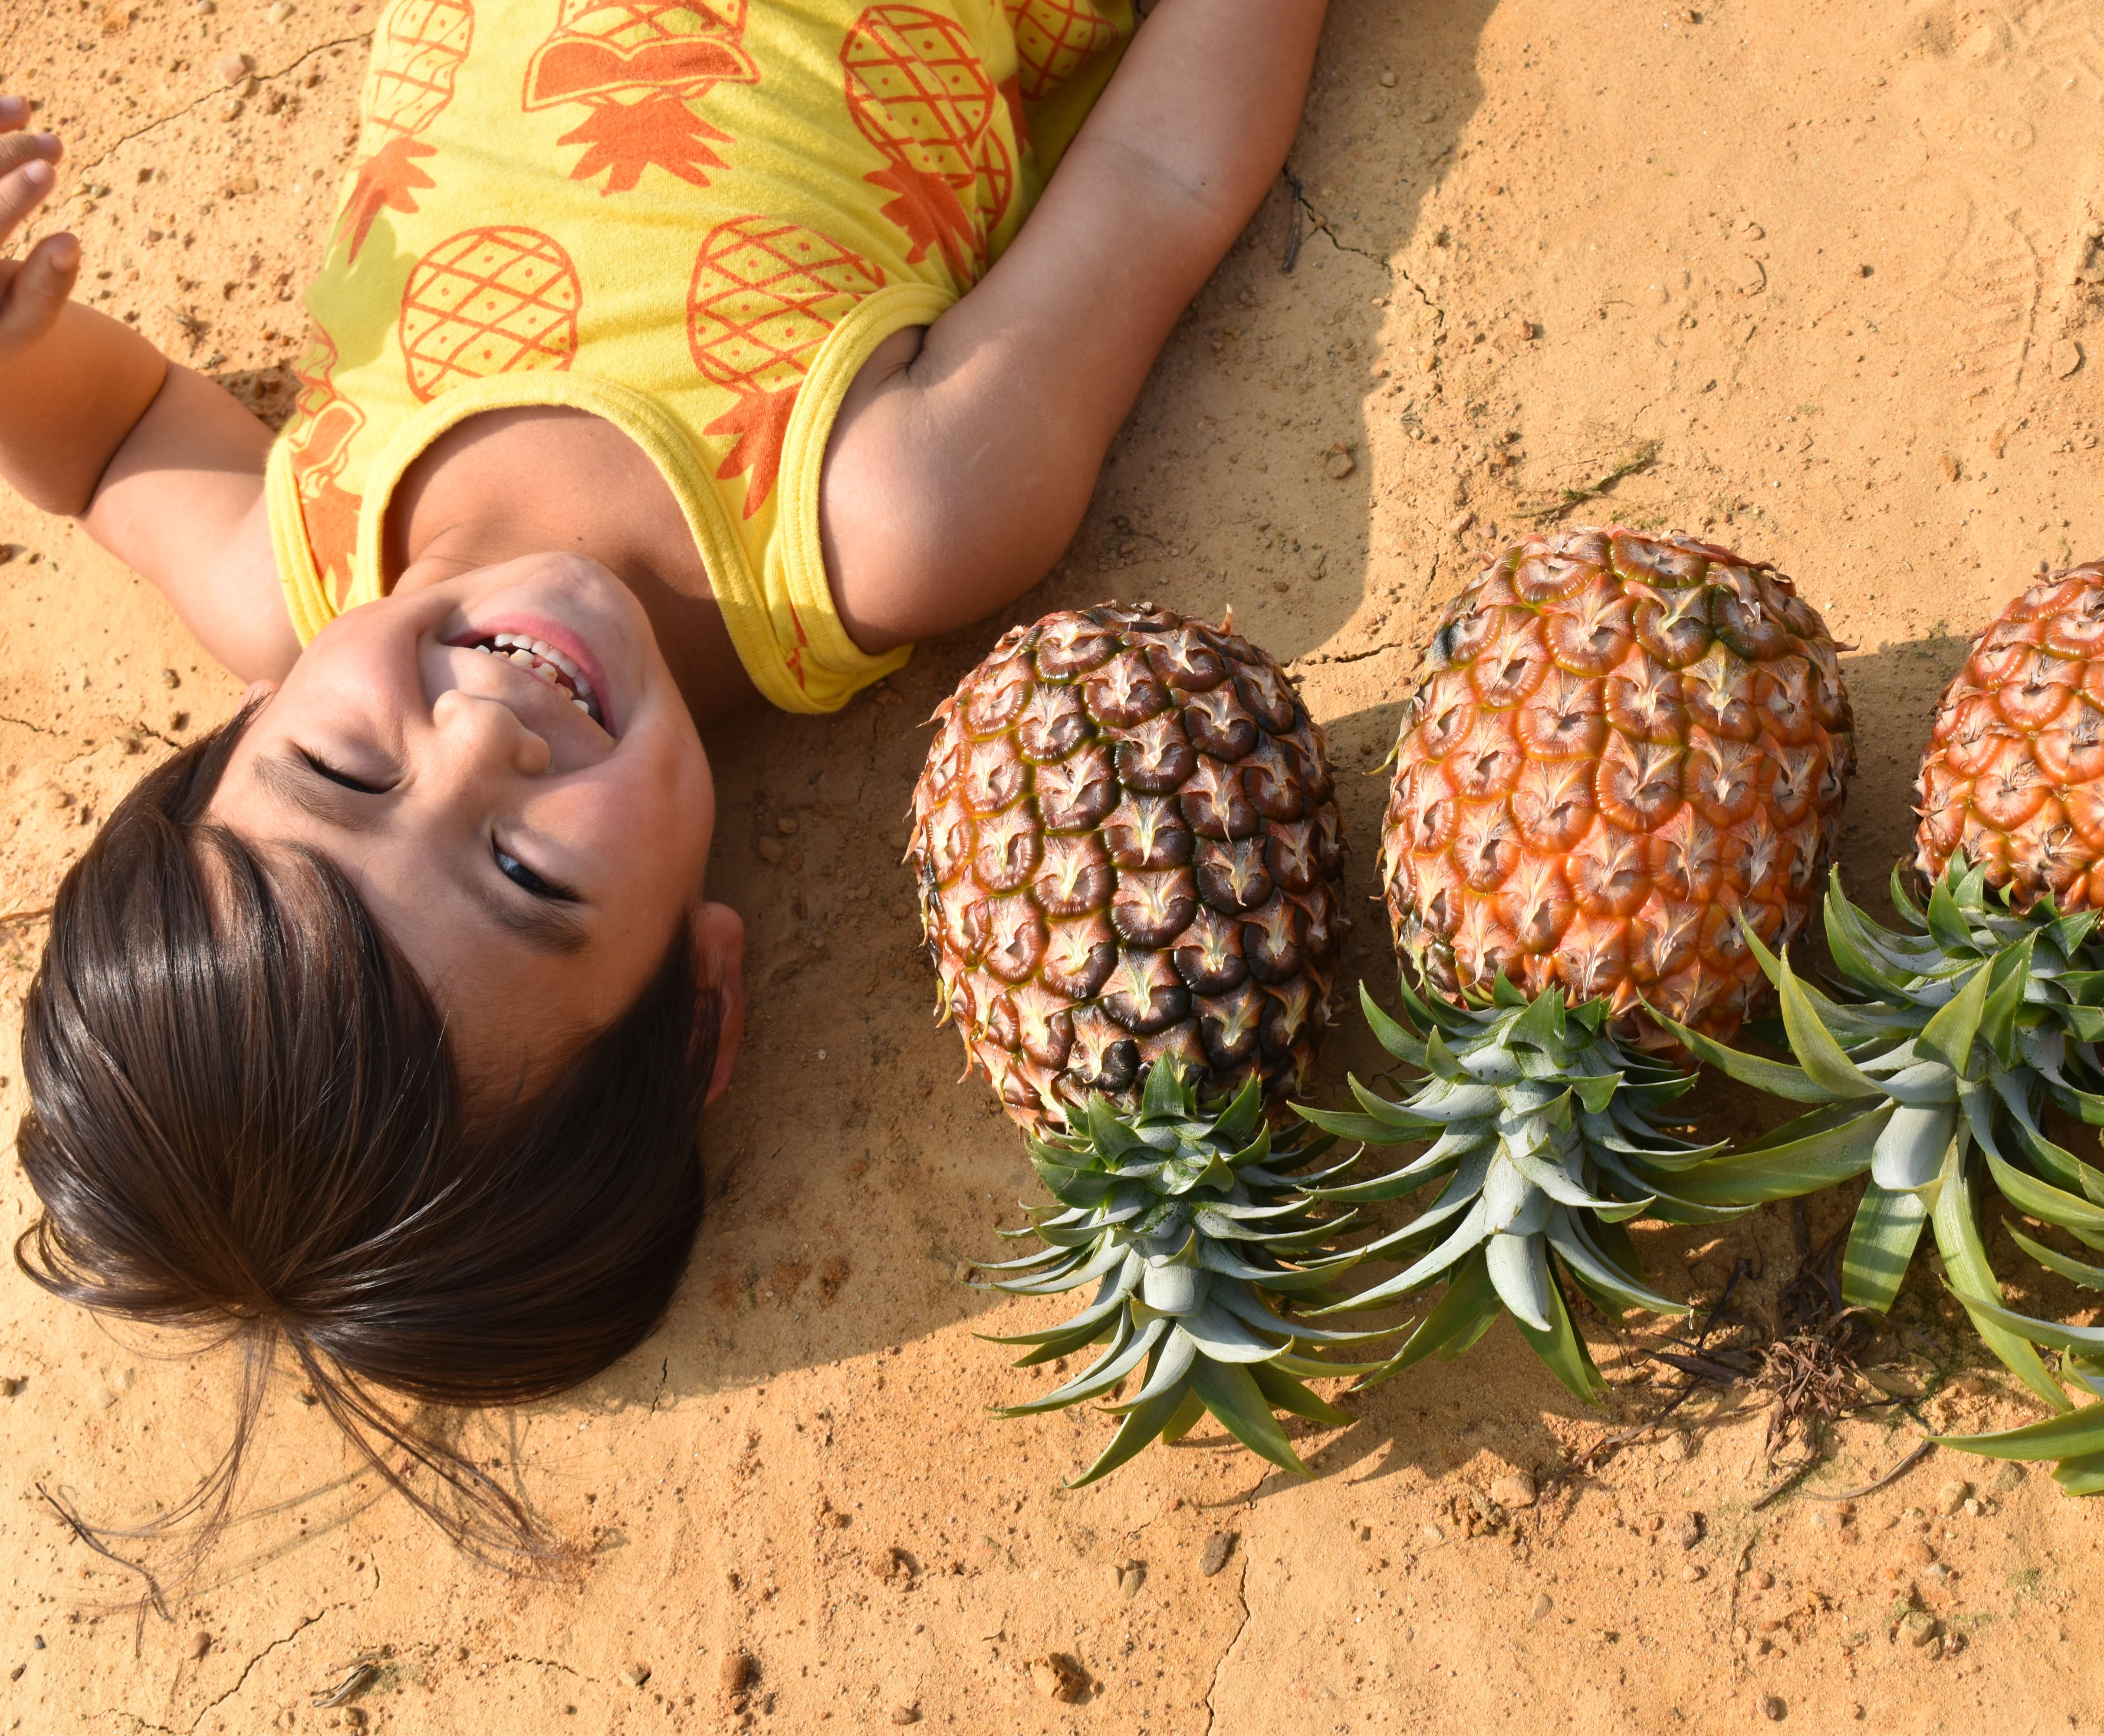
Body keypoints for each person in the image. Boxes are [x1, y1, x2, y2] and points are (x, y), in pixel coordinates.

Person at [0, 0, 1328, 1568]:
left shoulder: (280, 575)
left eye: (346, 768)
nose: (477, 743)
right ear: (699, 1002)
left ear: (245, 721)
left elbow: (108, 446)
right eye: (528, 878)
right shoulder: (886, 510)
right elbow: (1167, 172)